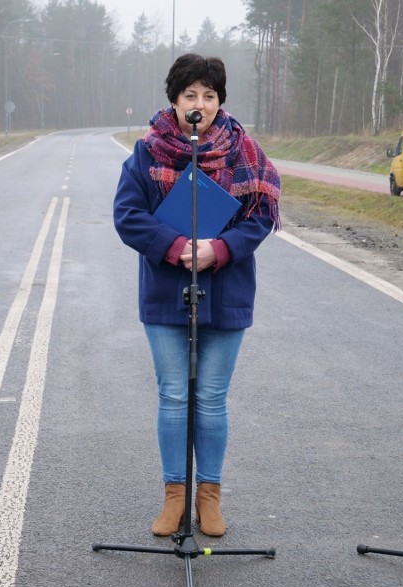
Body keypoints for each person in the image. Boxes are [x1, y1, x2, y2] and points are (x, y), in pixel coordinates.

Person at [113, 53, 281, 537]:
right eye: (191, 95)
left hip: (226, 290)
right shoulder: (147, 152)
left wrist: (220, 250)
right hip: (168, 292)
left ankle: (209, 496)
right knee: (172, 395)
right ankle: (174, 497)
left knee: (210, 398)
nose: (200, 104)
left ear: (220, 101)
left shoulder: (244, 150)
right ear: (174, 100)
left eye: (209, 96)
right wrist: (177, 246)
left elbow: (262, 216)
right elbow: (128, 215)